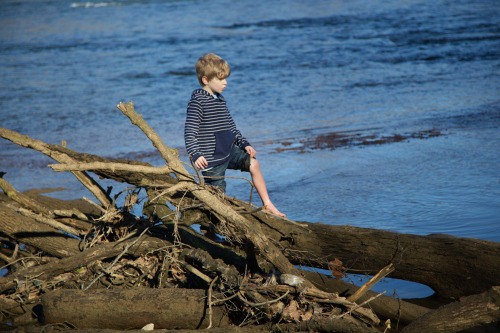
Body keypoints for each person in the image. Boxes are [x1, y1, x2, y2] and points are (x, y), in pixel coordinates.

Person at [184, 53, 285, 217]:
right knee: (217, 200)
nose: (225, 83)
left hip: (229, 150)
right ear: (206, 80)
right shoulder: (198, 101)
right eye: (221, 79)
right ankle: (209, 232)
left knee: (254, 164)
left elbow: (231, 127)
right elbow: (190, 131)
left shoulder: (220, 99)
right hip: (211, 159)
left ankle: (267, 204)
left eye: (226, 78)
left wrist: (245, 144)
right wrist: (195, 153)